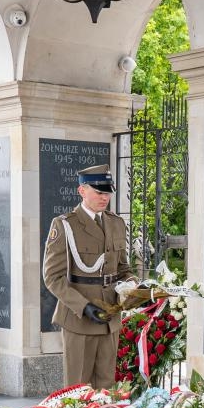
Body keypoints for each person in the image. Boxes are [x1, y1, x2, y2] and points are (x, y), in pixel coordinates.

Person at [43, 164, 135, 389]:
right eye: (99, 192)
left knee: (106, 386)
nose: (105, 197)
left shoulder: (116, 223)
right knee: (78, 388)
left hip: (110, 317)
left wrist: (132, 285)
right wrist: (83, 306)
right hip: (80, 318)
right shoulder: (65, 224)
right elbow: (53, 277)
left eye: (108, 192)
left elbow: (123, 268)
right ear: (82, 191)